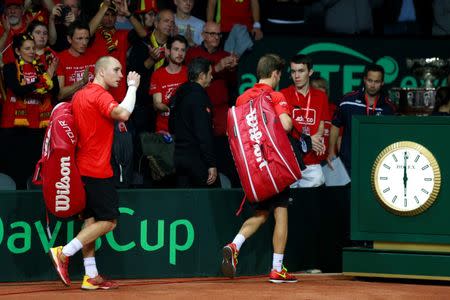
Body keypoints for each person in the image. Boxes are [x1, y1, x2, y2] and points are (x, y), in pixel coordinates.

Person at [48, 56, 140, 290]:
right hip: (97, 170)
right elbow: (123, 114)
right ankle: (64, 252)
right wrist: (132, 87)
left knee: (90, 221)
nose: (121, 74)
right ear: (101, 72)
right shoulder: (100, 95)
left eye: (122, 71)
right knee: (109, 222)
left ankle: (90, 276)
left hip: (81, 169)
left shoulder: (80, 94)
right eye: (116, 70)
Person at [221, 53, 297, 283]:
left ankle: (234, 245)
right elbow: (285, 125)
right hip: (273, 167)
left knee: (261, 213)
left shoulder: (243, 98)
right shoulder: (275, 95)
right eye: (279, 75)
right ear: (275, 74)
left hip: (254, 170)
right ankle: (277, 269)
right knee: (281, 213)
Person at [0, 33, 59, 189]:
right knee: (15, 172)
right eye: (27, 48)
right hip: (14, 129)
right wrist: (43, 80)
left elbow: (55, 92)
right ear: (18, 51)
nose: (32, 51)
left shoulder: (42, 68)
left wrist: (50, 75)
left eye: (33, 48)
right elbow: (18, 89)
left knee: (35, 172)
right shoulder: (10, 67)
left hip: (37, 129)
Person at [185, 21, 239, 187]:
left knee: (226, 159)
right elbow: (194, 79)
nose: (216, 37)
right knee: (203, 155)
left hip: (221, 113)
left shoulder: (225, 54)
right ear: (203, 35)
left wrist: (231, 69)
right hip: (200, 111)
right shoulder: (193, 54)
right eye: (212, 34)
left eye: (218, 34)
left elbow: (232, 85)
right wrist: (219, 67)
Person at [327, 64, 396, 175]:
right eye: (370, 80)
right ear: (364, 80)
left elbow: (391, 136)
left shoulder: (388, 108)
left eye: (377, 82)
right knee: (347, 192)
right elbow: (335, 125)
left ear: (382, 83)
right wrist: (331, 151)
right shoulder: (348, 101)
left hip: (377, 164)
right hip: (348, 162)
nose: (372, 85)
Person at [281, 54, 327, 188]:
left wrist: (317, 140)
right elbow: (282, 129)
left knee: (312, 197)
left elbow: (321, 123)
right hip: (291, 160)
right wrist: (308, 141)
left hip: (312, 161)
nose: (296, 76)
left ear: (310, 72)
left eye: (301, 71)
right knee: (289, 204)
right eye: (293, 71)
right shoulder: (283, 94)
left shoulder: (321, 96)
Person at [171, 57, 218, 188]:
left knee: (184, 204)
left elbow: (171, 125)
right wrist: (211, 163)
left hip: (179, 158)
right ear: (202, 76)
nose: (212, 77)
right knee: (209, 201)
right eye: (210, 74)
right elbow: (203, 133)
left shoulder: (179, 93)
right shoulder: (199, 97)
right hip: (196, 160)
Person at [150, 34, 188, 133]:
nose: (180, 53)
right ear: (168, 51)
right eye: (176, 49)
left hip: (185, 129)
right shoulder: (157, 74)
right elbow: (157, 103)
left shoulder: (189, 72)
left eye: (183, 50)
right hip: (164, 130)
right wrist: (174, 110)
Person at [56, 20, 96, 102]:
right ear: (69, 39)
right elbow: (60, 95)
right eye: (80, 38)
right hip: (70, 107)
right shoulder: (60, 58)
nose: (84, 43)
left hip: (91, 105)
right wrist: (82, 82)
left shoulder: (95, 56)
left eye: (87, 38)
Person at [0, 0, 28, 64]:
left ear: (22, 11)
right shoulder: (1, 29)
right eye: (9, 8)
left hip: (28, 71)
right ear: (5, 11)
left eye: (16, 8)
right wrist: (6, 32)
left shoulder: (30, 27)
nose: (12, 11)